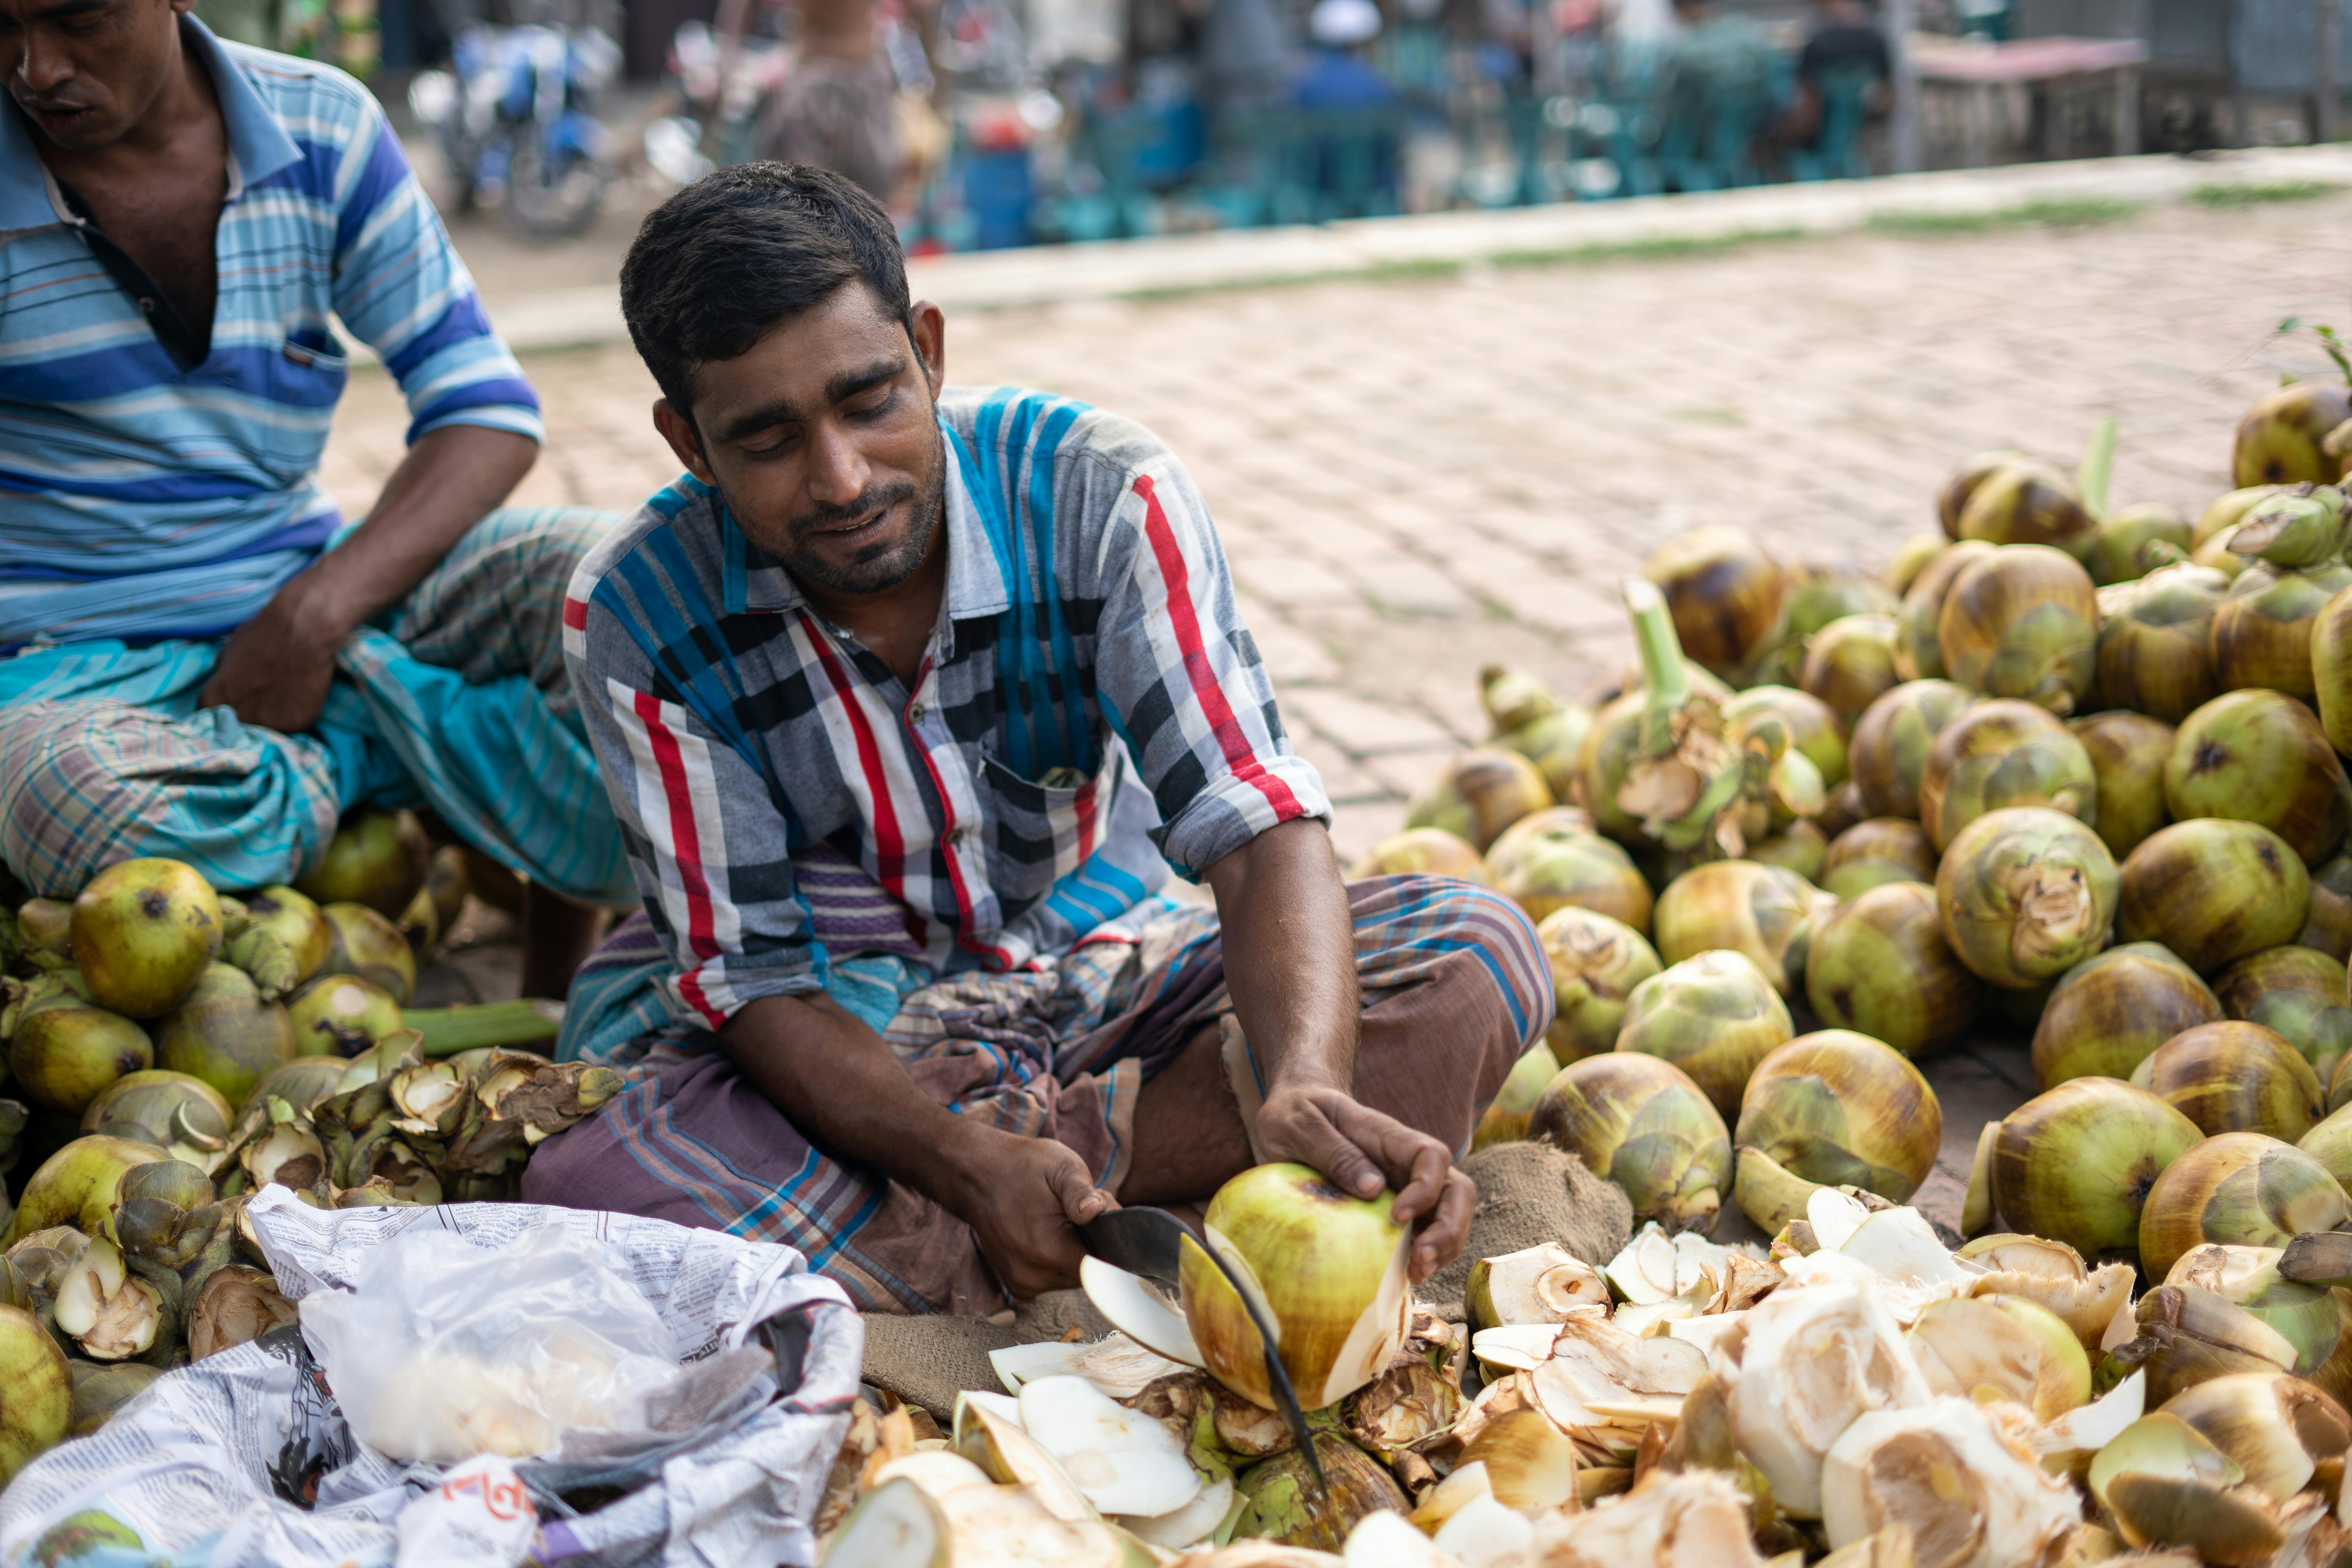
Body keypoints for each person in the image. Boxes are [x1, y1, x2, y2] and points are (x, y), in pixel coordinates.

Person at [522, 162, 1552, 1315]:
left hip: (1093, 969)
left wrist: (1302, 1079)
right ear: (688, 444)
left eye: (869, 400)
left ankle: (996, 1219)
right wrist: (960, 1159)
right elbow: (760, 985)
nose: (842, 477)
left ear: (928, 349)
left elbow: (1254, 822)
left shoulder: (1097, 492)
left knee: (1477, 954)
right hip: (855, 1042)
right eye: (765, 440)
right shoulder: (636, 614)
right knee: (593, 1190)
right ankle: (1085, 1201)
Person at [0, 0, 629, 987]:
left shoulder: (320, 126)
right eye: (1, 26)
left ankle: (556, 971)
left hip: (316, 601)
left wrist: (312, 616)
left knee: (608, 584)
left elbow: (486, 412)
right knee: (63, 797)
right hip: (73, 666)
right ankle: (401, 760)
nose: (35, 67)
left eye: (79, 18)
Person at [1783, 0, 1889, 152]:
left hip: (1821, 125)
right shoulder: (1876, 39)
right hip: (1858, 119)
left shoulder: (1818, 45)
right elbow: (1887, 92)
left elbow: (1807, 102)